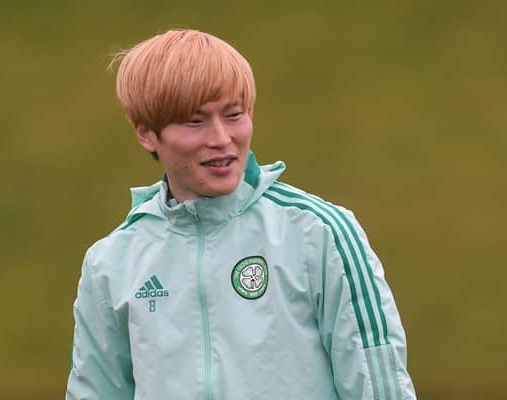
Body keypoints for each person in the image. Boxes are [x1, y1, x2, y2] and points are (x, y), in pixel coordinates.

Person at [66, 28, 416, 399]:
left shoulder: (320, 232)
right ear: (147, 135)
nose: (221, 138)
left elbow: (381, 389)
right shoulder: (111, 263)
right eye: (195, 122)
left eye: (233, 115)